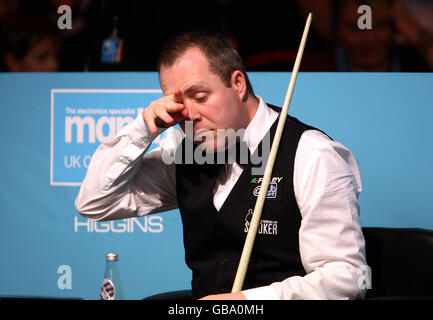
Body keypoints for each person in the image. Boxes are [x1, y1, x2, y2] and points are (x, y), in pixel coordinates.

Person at [75, 31, 368, 300]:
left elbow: (346, 278)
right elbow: (95, 203)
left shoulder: (312, 154)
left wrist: (246, 301)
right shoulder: (184, 152)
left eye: (200, 97)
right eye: (178, 103)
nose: (189, 114)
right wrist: (142, 129)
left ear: (238, 84)